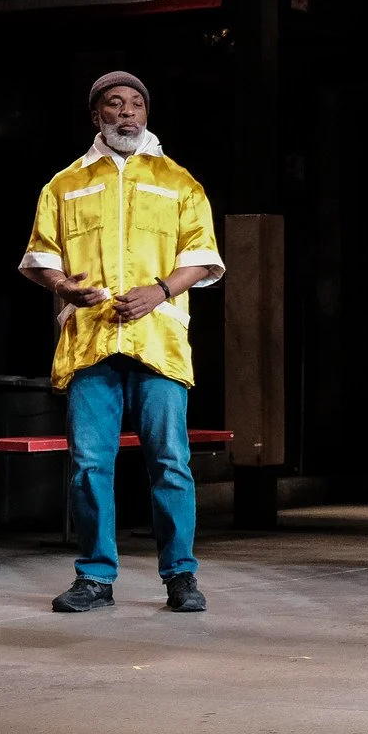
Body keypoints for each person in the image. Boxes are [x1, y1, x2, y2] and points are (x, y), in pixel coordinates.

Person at [19, 72, 226, 614]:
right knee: (90, 464)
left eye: (137, 104)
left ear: (147, 114)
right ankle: (94, 577)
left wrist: (159, 291)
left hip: (157, 340)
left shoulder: (178, 181)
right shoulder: (65, 184)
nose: (127, 112)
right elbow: (42, 258)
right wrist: (64, 285)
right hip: (91, 342)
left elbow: (203, 256)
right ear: (97, 116)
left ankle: (180, 576)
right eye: (115, 104)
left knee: (170, 462)